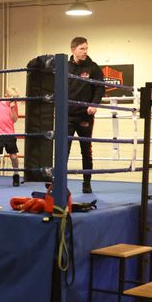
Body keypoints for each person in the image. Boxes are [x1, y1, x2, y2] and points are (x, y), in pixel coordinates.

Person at [67, 37, 104, 194]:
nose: (85, 52)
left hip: (84, 116)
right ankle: (60, 182)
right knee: (63, 150)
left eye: (86, 48)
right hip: (67, 115)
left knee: (86, 150)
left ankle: (86, 182)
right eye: (82, 49)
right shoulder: (64, 67)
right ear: (73, 50)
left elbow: (100, 88)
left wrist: (94, 104)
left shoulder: (93, 67)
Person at [0, 86, 21, 188]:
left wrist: (11, 108)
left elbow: (15, 119)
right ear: (6, 95)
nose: (13, 99)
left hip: (9, 133)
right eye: (12, 97)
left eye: (15, 97)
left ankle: (16, 174)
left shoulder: (14, 106)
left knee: (13, 156)